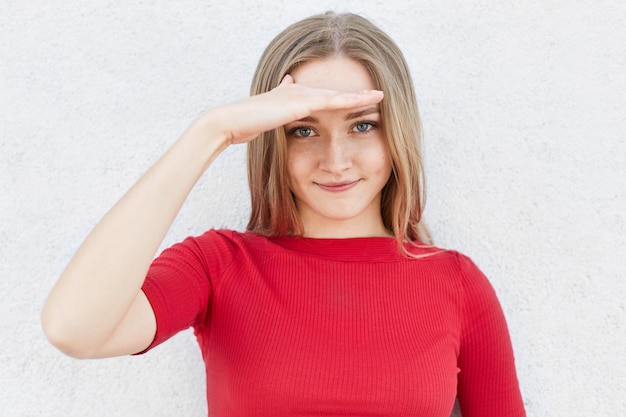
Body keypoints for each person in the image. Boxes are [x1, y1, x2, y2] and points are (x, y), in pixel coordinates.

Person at [42, 11, 526, 417]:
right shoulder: (218, 266)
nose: (336, 160)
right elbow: (74, 328)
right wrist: (212, 131)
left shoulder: (457, 283)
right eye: (303, 130)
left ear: (396, 133)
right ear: (271, 137)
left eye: (362, 125)